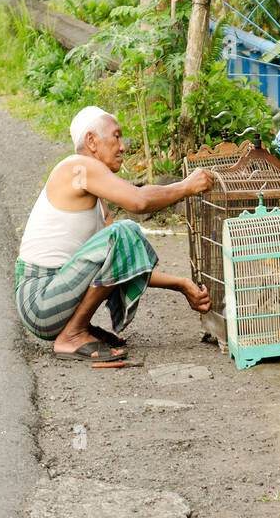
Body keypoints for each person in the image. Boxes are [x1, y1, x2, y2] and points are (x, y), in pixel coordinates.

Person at [15, 105, 215, 366]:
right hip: (39, 300)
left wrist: (180, 284)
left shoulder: (95, 197)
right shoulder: (77, 167)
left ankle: (77, 329)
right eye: (116, 136)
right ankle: (73, 334)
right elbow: (139, 201)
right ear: (91, 141)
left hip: (53, 300)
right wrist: (186, 186)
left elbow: (121, 262)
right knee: (124, 231)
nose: (123, 147)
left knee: (121, 236)